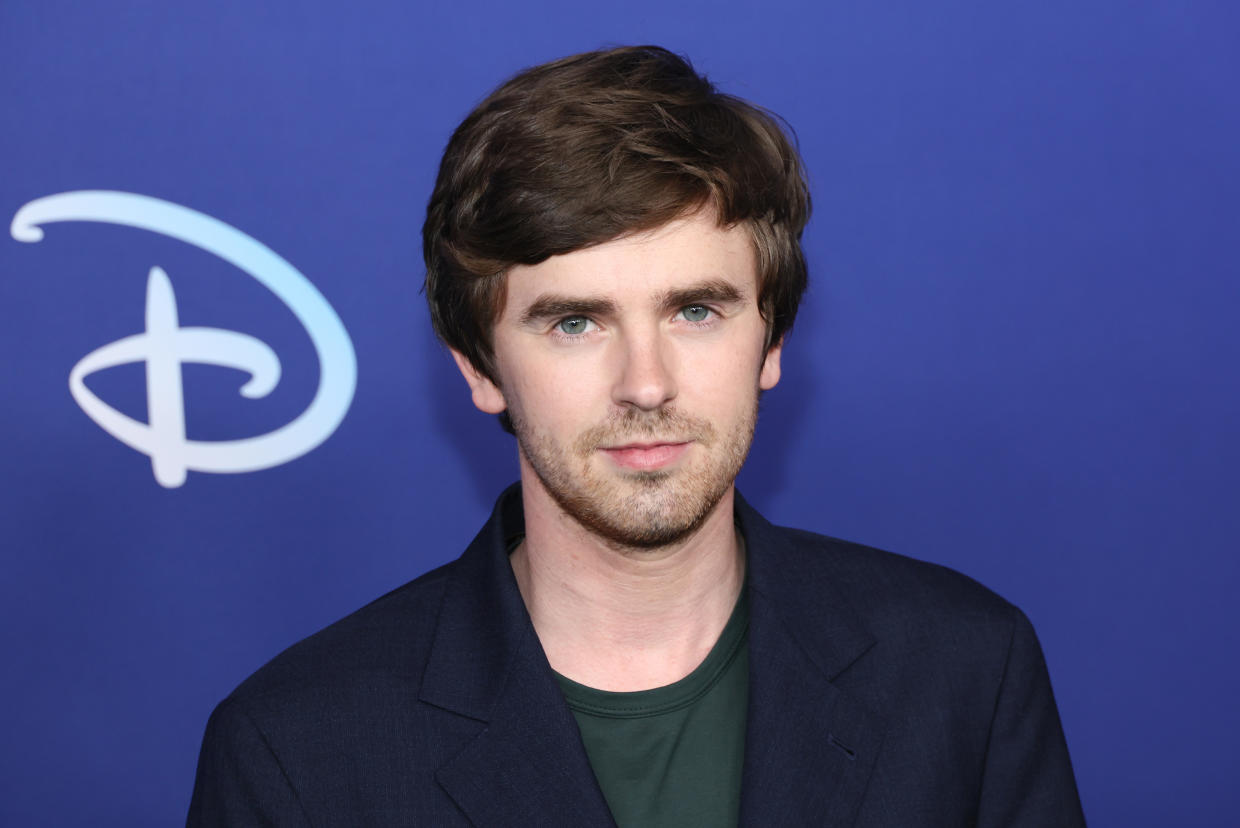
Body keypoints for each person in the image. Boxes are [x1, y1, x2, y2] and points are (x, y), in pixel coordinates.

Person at [188, 45, 1085, 827]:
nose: (646, 383)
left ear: (770, 341)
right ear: (477, 366)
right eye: (575, 323)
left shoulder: (964, 673)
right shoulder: (296, 751)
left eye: (696, 310)